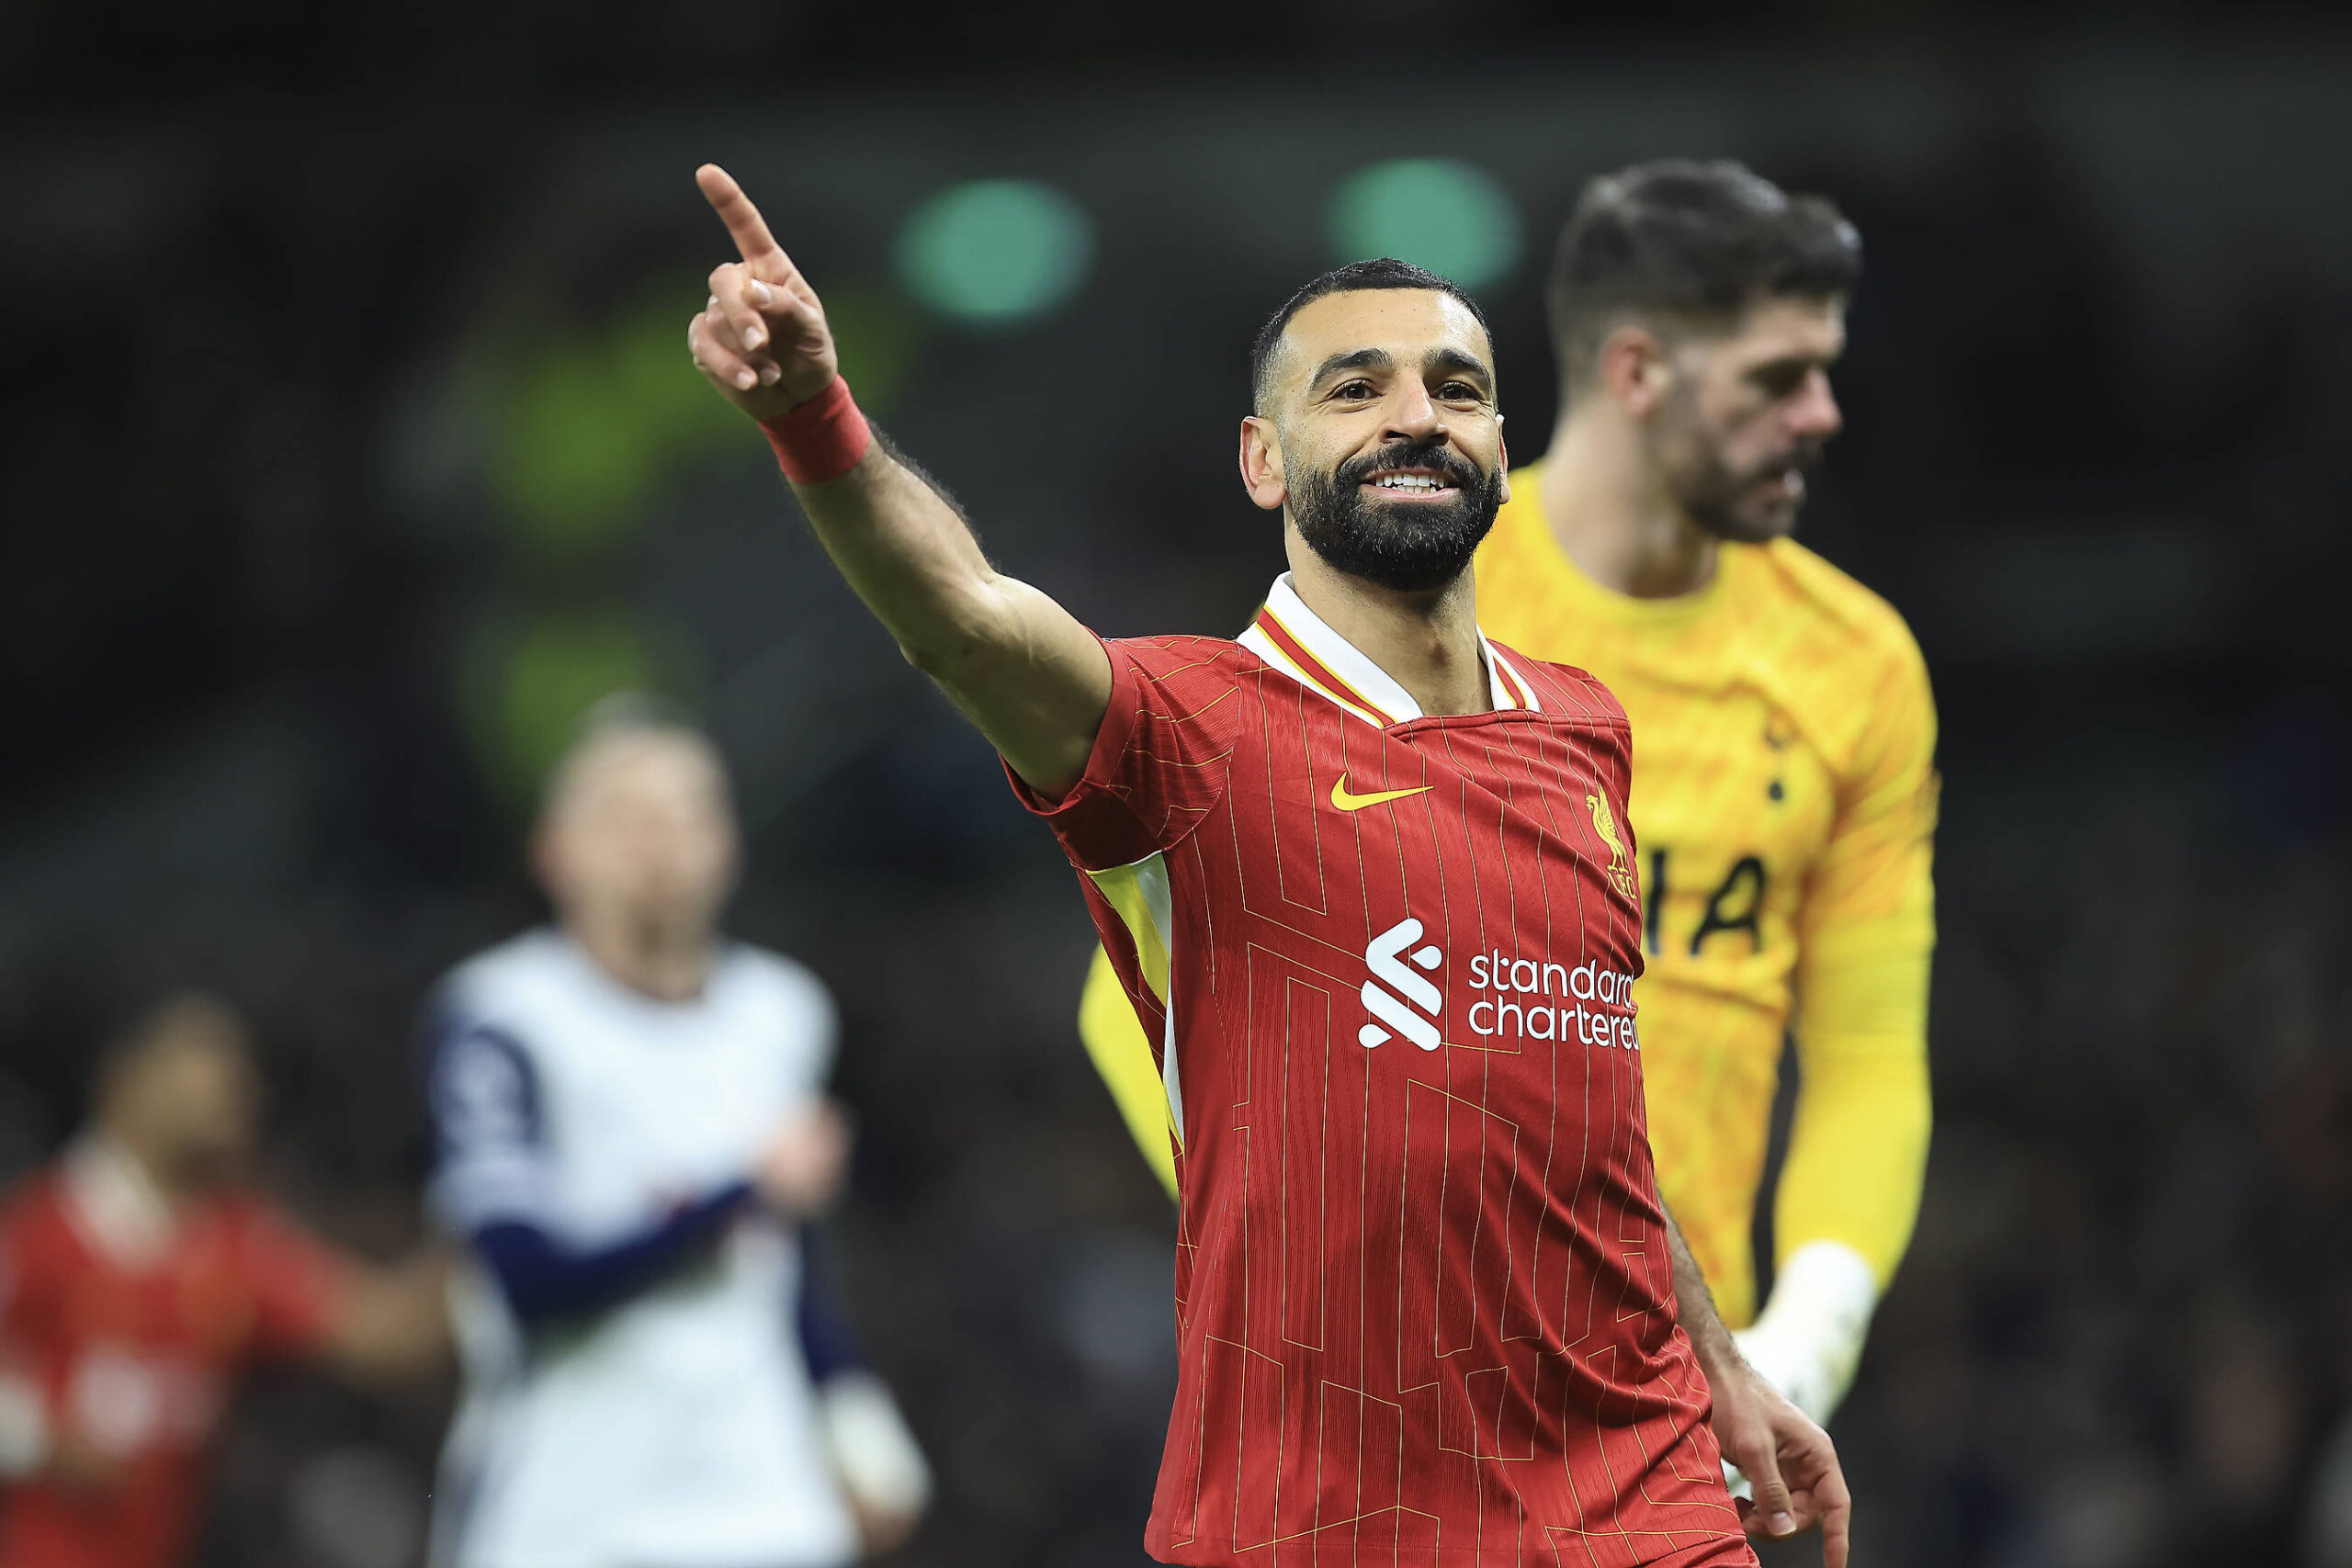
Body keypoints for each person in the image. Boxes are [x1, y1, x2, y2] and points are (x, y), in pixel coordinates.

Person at [686, 164, 1849, 1567]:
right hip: (1322, 1524)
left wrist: (1717, 1356)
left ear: (1497, 442)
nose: (1416, 415)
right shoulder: (1188, 728)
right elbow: (967, 621)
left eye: (1456, 388)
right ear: (1260, 459)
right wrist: (814, 413)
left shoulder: (1587, 729)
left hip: (1644, 1506)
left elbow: (1587, 1116)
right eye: (1355, 388)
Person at [1078, 159, 1937, 1431]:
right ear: (1639, 373)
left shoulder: (1857, 664)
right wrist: (1323, 1283)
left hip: (1675, 1395)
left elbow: (1866, 1055)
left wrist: (1800, 1344)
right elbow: (1135, 1004)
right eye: (1775, 378)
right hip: (1396, 1381)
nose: (1820, 414)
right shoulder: (1408, 584)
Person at [423, 702, 931, 1568]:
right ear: (555, 851)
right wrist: (741, 1193)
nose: (660, 842)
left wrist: (851, 1411)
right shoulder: (504, 1018)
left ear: (728, 844)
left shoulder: (782, 1012)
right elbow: (525, 1281)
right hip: (574, 1516)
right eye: (624, 817)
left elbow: (787, 1266)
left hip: (766, 1512)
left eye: (687, 814)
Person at [0, 994, 450, 1568]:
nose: (235, 1090)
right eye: (204, 1065)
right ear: (126, 1079)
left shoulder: (238, 1243)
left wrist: (485, 1227)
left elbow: (384, 1333)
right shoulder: (38, 1230)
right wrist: (36, 1439)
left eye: (238, 1073)